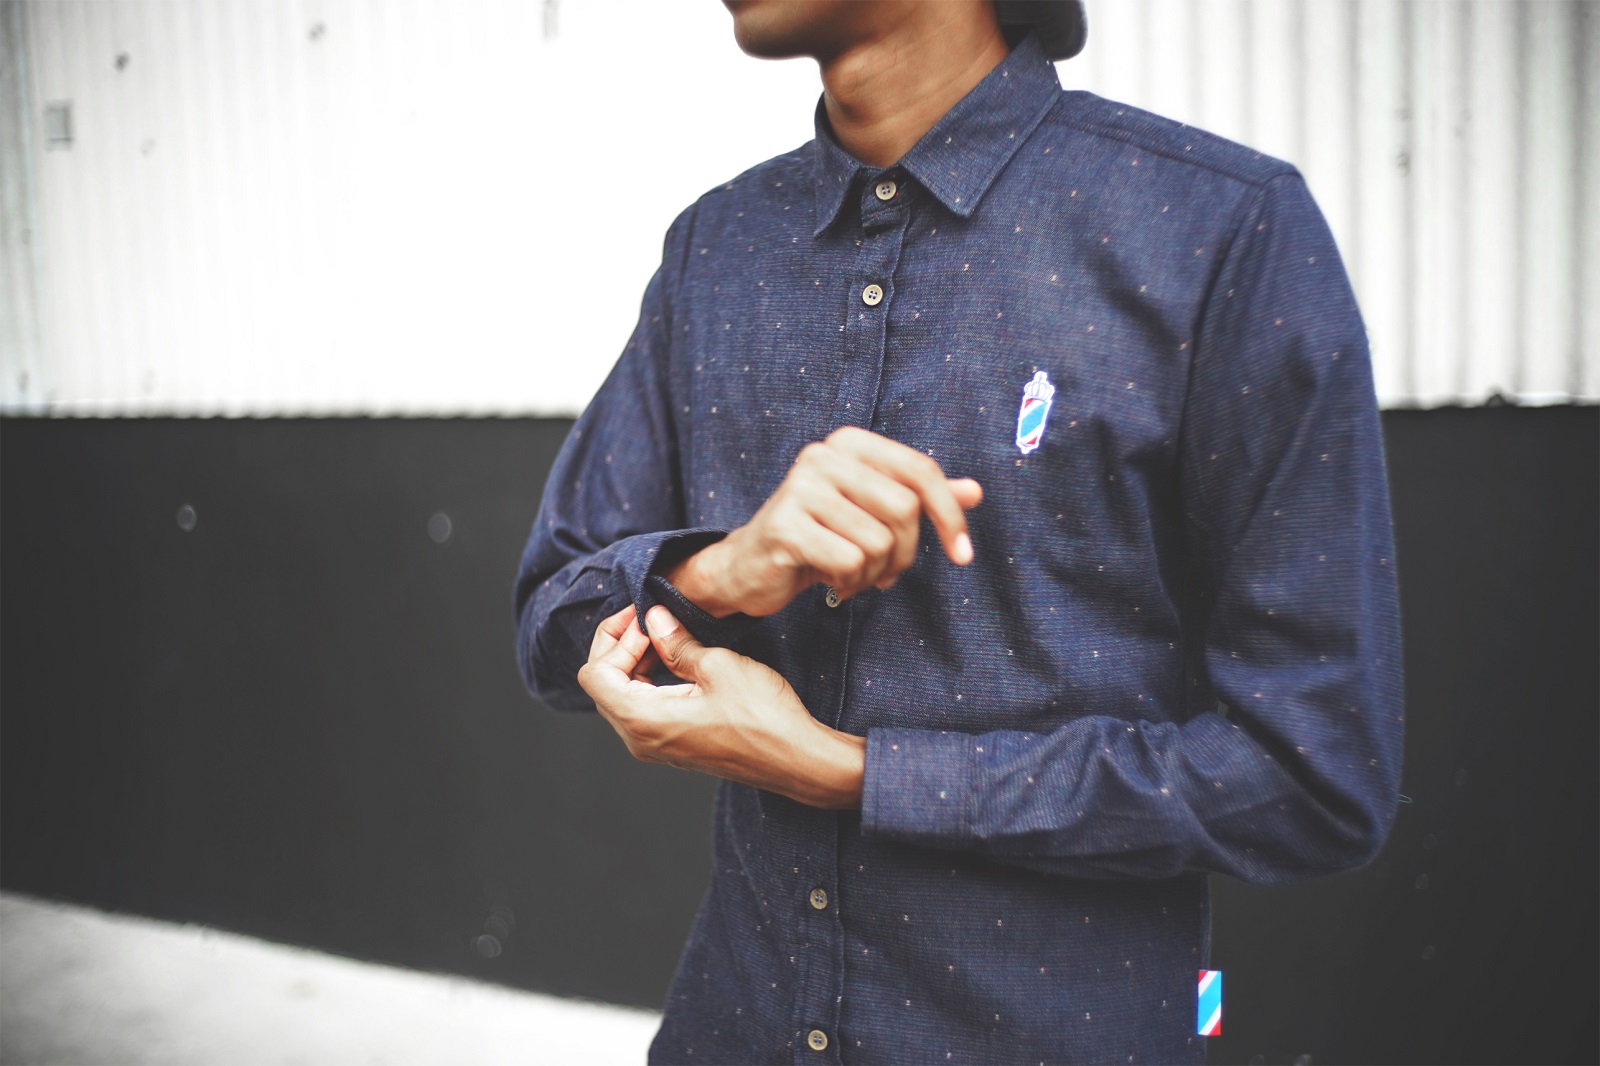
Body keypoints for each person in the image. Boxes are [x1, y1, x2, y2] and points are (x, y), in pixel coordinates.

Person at [514, 1, 1404, 1061]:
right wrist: (723, 569)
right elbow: (550, 627)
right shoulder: (715, 249)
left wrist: (855, 771)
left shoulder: (1219, 229)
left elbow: (1312, 777)